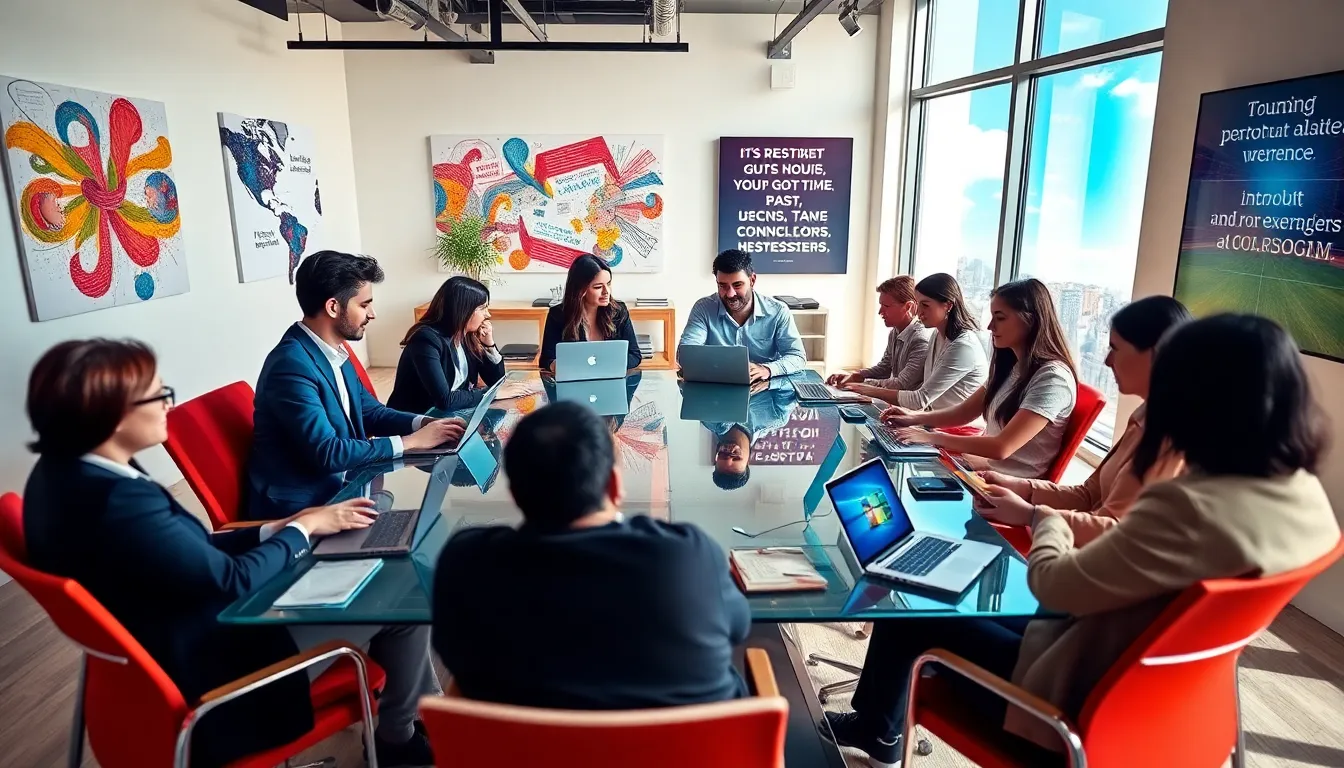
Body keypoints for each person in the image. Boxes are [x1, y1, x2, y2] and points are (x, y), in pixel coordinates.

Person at [825, 313, 1340, 765]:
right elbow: (1097, 513)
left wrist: (1040, 517)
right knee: (941, 588)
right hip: (1164, 699)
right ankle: (877, 728)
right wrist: (1034, 499)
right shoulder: (1307, 501)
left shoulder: (1186, 504)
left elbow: (1052, 584)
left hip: (1070, 700)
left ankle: (877, 732)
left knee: (911, 609)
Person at [21, 340, 442, 767]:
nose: (169, 403)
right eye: (158, 394)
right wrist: (302, 529)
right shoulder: (121, 501)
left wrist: (274, 529)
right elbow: (232, 580)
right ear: (108, 414)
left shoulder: (61, 477)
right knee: (400, 604)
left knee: (374, 572)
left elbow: (183, 551)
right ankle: (400, 740)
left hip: (167, 646)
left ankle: (426, 716)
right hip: (221, 669)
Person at [433, 401, 749, 709]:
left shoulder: (467, 563)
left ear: (515, 494)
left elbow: (452, 652)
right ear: (613, 485)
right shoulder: (689, 555)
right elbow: (739, 625)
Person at [248, 250, 465, 520]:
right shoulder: (291, 365)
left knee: (430, 521)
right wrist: (410, 442)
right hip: (306, 508)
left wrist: (423, 424)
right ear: (333, 307)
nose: (372, 314)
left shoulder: (333, 350)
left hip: (347, 487)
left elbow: (370, 412)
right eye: (364, 305)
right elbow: (328, 452)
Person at [976, 296, 1192, 546]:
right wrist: (1021, 487)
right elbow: (1089, 494)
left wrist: (1031, 515)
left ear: (1155, 354)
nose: (1108, 360)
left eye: (1115, 348)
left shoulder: (1172, 436)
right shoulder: (1146, 416)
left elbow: (1118, 531)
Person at [881, 279, 1076, 478]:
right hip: (982, 469)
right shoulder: (1011, 367)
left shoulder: (1052, 379)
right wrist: (912, 418)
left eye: (1000, 318)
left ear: (1031, 320)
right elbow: (963, 413)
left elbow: (1002, 447)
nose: (990, 326)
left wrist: (930, 437)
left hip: (1008, 487)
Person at [388, 276, 528, 414]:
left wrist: (489, 345)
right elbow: (445, 400)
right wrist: (492, 394)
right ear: (463, 310)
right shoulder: (426, 340)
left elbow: (496, 381)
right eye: (482, 308)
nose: (488, 314)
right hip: (416, 420)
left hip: (449, 416)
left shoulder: (465, 336)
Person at [864, 273, 988, 412]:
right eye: (919, 304)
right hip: (933, 420)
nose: (918, 312)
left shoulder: (963, 346)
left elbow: (920, 399)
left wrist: (864, 388)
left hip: (956, 429)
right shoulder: (936, 334)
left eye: (925, 305)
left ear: (948, 305)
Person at [678, 249, 806, 383]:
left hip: (764, 390)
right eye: (723, 286)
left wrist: (767, 369)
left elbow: (797, 357)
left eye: (737, 285)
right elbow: (687, 353)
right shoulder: (703, 308)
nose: (730, 294)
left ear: (752, 280)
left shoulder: (778, 311)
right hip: (716, 391)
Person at [827, 276, 932, 399]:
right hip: (895, 401)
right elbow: (884, 368)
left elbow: (902, 384)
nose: (880, 311)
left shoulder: (920, 340)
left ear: (908, 307)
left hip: (910, 409)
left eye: (886, 306)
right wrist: (855, 375)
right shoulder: (895, 332)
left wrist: (859, 383)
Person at [539, 255, 642, 372]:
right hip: (574, 383)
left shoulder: (619, 311)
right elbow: (546, 360)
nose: (606, 291)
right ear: (580, 290)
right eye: (598, 287)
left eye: (608, 284)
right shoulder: (558, 315)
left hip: (610, 381)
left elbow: (635, 356)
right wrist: (556, 366)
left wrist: (602, 366)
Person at [697, 378, 799, 491]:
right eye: (736, 457)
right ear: (748, 461)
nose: (730, 451)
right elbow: (796, 380)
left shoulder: (709, 419)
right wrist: (768, 381)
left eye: (723, 455)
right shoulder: (775, 417)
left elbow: (690, 386)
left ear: (716, 456)